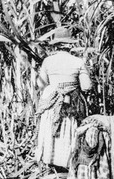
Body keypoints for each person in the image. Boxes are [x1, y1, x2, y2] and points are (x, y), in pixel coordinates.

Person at [34, 26, 92, 168]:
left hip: (52, 102)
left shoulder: (48, 61)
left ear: (56, 45)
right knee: (69, 128)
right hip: (71, 102)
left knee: (50, 127)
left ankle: (50, 161)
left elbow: (41, 84)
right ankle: (67, 162)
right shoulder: (78, 62)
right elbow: (86, 86)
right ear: (69, 44)